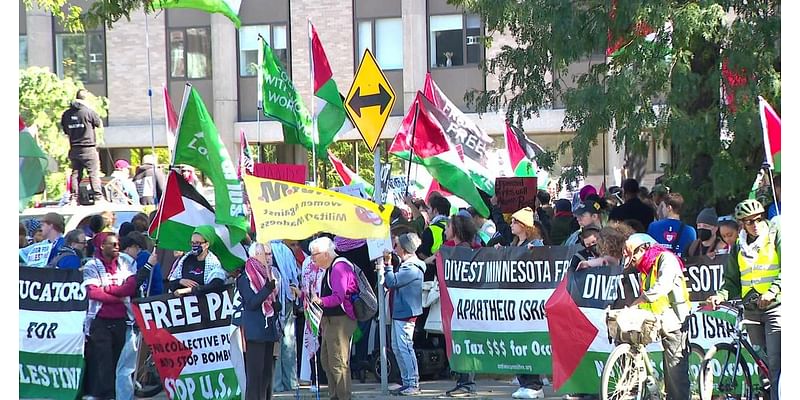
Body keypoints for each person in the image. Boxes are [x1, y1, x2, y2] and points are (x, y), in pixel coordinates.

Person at [707, 199, 780, 400]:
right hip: (752, 310)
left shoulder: (775, 236)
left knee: (775, 364)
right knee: (761, 364)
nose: (755, 224)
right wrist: (720, 295)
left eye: (758, 219)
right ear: (742, 224)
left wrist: (773, 291)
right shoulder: (739, 244)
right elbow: (731, 281)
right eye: (749, 222)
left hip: (775, 309)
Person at [625, 233, 692, 400]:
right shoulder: (645, 268)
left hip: (675, 319)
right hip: (655, 319)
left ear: (644, 248)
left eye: (634, 258)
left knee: (675, 372)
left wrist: (640, 300)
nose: (633, 263)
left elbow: (663, 285)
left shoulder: (666, 259)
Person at [82, 232, 137, 400]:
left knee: (119, 361)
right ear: (101, 246)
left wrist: (108, 290)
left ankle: (116, 394)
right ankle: (105, 395)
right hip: (100, 320)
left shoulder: (125, 263)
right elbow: (93, 293)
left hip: (122, 319)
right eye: (112, 244)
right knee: (103, 360)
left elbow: (131, 287)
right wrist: (118, 298)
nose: (117, 247)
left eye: (118, 244)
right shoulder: (92, 265)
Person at [504, 207, 548, 399]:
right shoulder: (514, 244)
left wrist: (535, 254)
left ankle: (534, 384)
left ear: (524, 225)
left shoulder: (536, 244)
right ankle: (524, 381)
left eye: (514, 222)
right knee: (517, 339)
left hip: (529, 301)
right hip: (514, 299)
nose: (511, 225)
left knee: (529, 340)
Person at [308, 237, 358, 400]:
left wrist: (320, 301)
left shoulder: (339, 267)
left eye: (314, 254)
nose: (312, 258)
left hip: (340, 320)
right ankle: (334, 395)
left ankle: (343, 396)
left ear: (325, 254)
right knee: (326, 360)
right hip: (330, 321)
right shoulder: (329, 268)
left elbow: (338, 296)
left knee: (338, 363)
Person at [115, 234, 160, 400]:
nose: (138, 252)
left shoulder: (123, 262)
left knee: (123, 365)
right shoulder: (125, 262)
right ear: (130, 247)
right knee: (125, 367)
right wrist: (149, 266)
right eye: (137, 249)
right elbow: (132, 286)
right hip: (127, 319)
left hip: (123, 318)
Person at [381, 232, 426, 396]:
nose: (395, 248)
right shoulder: (407, 265)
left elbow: (392, 281)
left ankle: (413, 382)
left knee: (405, 347)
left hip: (405, 313)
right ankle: (407, 381)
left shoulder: (412, 268)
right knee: (398, 347)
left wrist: (387, 265)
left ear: (405, 248)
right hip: (400, 312)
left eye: (397, 245)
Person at [237, 242, 283, 400]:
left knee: (266, 375)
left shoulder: (269, 274)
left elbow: (271, 302)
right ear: (256, 255)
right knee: (255, 376)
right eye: (267, 254)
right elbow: (252, 302)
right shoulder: (246, 277)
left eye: (270, 254)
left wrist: (277, 305)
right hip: (255, 331)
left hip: (269, 330)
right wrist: (267, 289)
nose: (270, 257)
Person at [61, 89, 104, 203]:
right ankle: (98, 197)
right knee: (93, 172)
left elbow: (65, 131)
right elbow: (98, 123)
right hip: (88, 147)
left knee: (76, 173)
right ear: (86, 99)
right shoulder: (89, 112)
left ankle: (74, 197)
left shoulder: (66, 114)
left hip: (74, 148)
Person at [271, 240, 301, 393]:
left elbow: (292, 275)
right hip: (272, 301)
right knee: (283, 342)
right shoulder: (283, 249)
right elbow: (294, 274)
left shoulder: (282, 250)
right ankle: (286, 383)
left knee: (284, 342)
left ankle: (284, 384)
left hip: (281, 301)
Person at [168, 227, 227, 296]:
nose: (194, 246)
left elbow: (216, 285)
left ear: (206, 244)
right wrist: (180, 281)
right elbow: (171, 283)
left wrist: (189, 290)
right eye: (192, 243)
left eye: (198, 243)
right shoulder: (186, 259)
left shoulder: (213, 263)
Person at [646, 193, 696, 258]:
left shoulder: (653, 226)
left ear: (669, 208)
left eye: (662, 207)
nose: (660, 209)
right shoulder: (690, 231)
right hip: (680, 266)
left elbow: (649, 252)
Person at [417, 196, 451, 272]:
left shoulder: (430, 230)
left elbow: (422, 253)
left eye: (428, 208)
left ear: (435, 211)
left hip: (433, 273)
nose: (427, 211)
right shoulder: (455, 227)